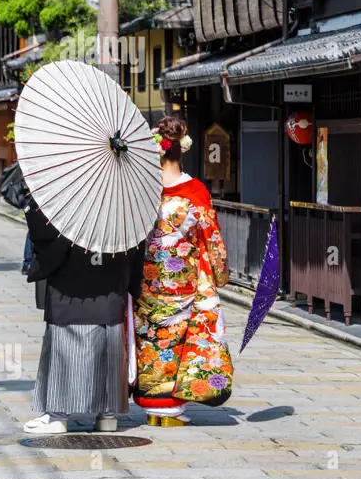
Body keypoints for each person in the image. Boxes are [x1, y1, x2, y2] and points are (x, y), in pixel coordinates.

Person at [132, 116, 231, 427]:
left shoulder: (141, 191)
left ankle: (153, 408)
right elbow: (211, 237)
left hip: (145, 280)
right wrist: (219, 272)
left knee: (151, 343)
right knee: (179, 342)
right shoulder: (195, 190)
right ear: (181, 150)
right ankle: (171, 410)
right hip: (184, 282)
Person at [23, 196, 146, 434]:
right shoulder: (126, 201)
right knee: (109, 353)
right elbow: (138, 243)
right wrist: (130, 280)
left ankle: (58, 416)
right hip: (111, 291)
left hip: (70, 291)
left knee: (64, 351)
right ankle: (108, 416)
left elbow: (46, 241)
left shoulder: (70, 194)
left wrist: (32, 209)